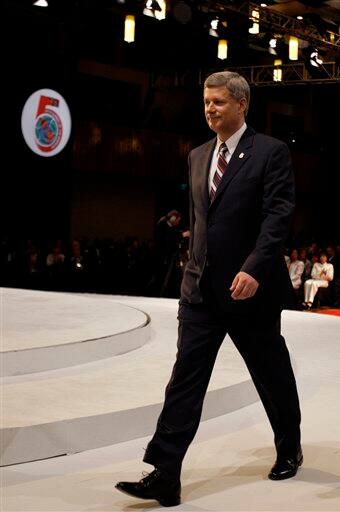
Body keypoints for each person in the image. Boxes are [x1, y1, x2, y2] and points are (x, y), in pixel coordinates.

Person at [115, 71, 302, 506]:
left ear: (241, 105)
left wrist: (255, 268)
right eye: (206, 102)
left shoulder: (270, 152)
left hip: (250, 291)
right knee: (185, 379)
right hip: (200, 292)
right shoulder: (198, 155)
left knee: (270, 373)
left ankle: (288, 445)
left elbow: (279, 216)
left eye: (218, 102)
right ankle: (165, 472)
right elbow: (201, 223)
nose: (209, 109)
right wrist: (190, 273)